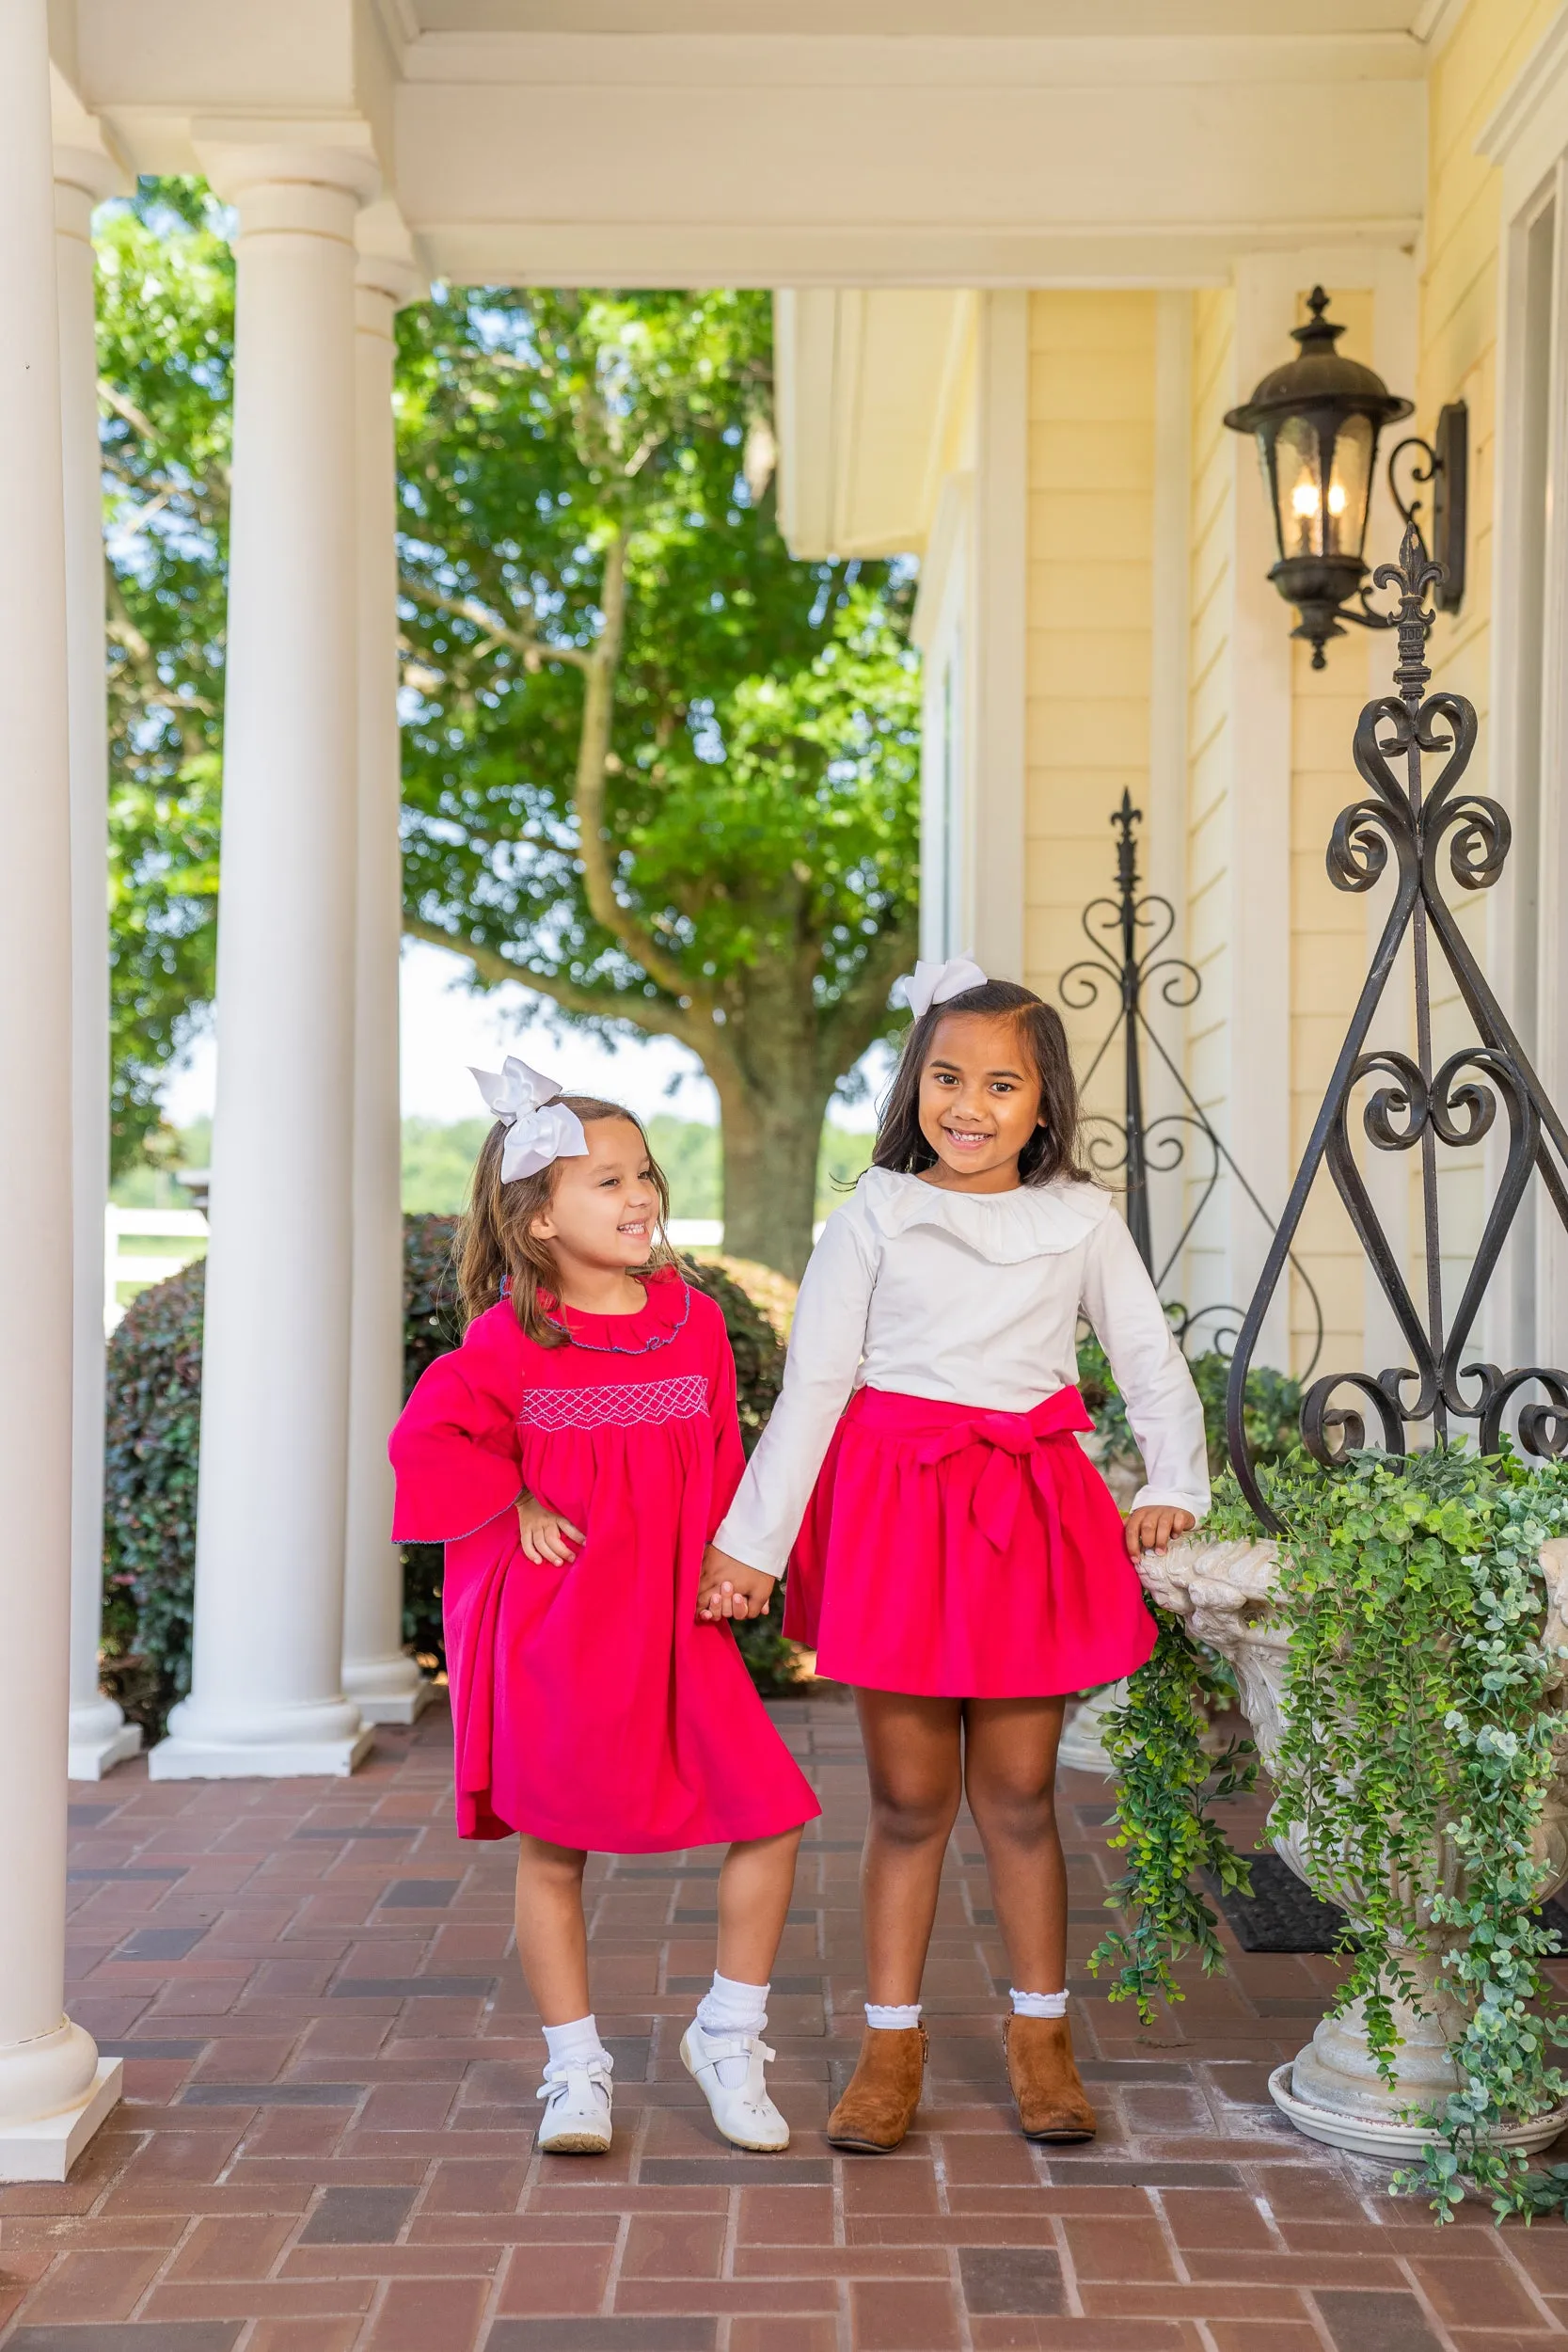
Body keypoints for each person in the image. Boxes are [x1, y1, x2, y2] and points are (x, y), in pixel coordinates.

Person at [696, 960, 1209, 2153]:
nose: (967, 1104)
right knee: (908, 1799)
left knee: (1020, 1796)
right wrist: (751, 1543)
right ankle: (890, 2047)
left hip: (1025, 1515)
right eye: (945, 1076)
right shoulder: (872, 1211)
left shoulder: (1079, 1219)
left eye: (999, 1083)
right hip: (896, 1516)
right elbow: (813, 1385)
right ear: (913, 1084)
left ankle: (1041, 2038)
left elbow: (1145, 1358)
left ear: (1043, 1104)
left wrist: (1175, 1483)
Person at [389, 1059, 819, 2158]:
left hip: (679, 1627)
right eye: (606, 1182)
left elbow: (724, 1454)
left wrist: (739, 1558)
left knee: (768, 1816)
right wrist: (514, 1490)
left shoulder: (694, 1324)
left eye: (643, 1175)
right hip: (563, 1633)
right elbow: (429, 1440)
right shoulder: (505, 1343)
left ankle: (727, 2033)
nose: (638, 1198)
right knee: (554, 1848)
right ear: (536, 1220)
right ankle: (573, 2065)